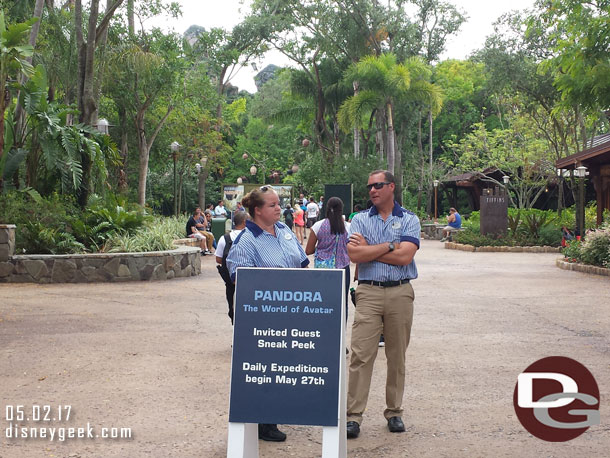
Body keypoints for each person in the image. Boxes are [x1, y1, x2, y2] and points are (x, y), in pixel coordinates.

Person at [226, 186, 309, 442]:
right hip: (265, 318)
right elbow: (241, 279)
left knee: (286, 364)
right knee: (266, 368)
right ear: (257, 210)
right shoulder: (246, 240)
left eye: (279, 203)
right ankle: (264, 422)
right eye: (272, 205)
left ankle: (277, 410)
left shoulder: (284, 231)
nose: (278, 208)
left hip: (293, 312)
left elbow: (303, 263)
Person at [345, 169, 420, 439]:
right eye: (369, 187)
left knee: (396, 356)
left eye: (378, 185)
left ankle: (395, 412)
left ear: (391, 187)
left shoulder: (410, 219)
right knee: (361, 354)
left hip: (400, 292)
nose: (372, 191)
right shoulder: (360, 220)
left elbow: (405, 258)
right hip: (369, 292)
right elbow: (355, 253)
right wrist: (390, 246)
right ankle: (353, 417)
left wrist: (373, 249)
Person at [305, 197, 350, 320]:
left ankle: (322, 325)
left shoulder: (318, 226)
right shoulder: (348, 227)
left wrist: (322, 248)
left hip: (323, 270)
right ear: (341, 209)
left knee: (322, 300)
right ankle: (341, 330)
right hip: (343, 268)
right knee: (342, 301)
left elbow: (308, 250)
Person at [215, 211, 248, 324]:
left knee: (233, 308)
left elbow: (218, 259)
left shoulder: (225, 238)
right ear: (245, 222)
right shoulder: (251, 237)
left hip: (230, 282)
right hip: (249, 282)